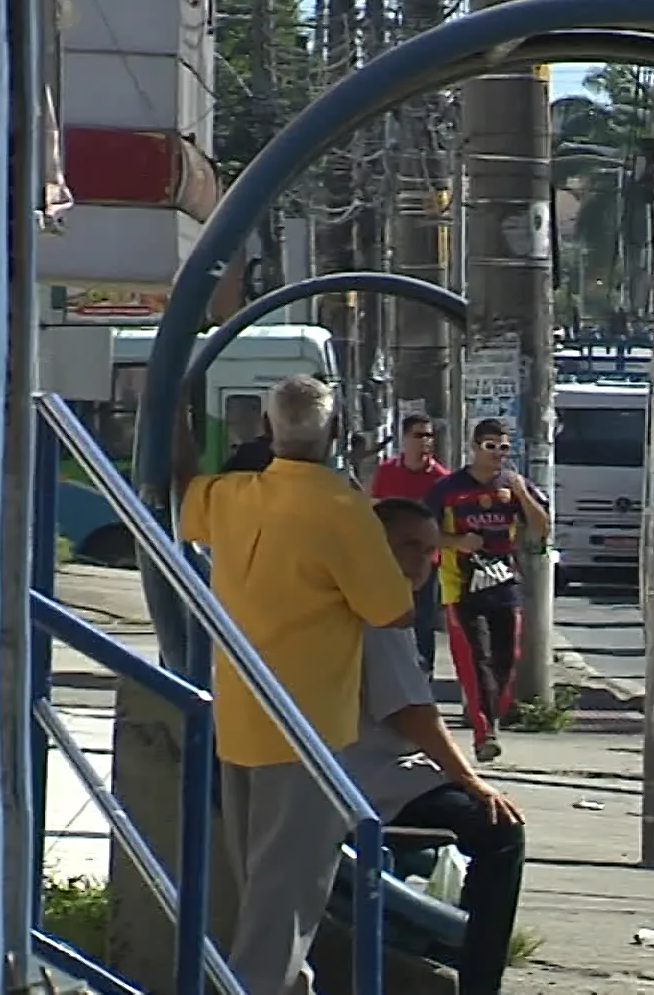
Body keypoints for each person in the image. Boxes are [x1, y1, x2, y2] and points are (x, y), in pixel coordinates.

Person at [174, 375, 414, 995]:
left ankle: (283, 985)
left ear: (264, 430)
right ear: (334, 434)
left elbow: (183, 493)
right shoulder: (340, 508)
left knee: (260, 878)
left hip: (240, 714)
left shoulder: (233, 496)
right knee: (286, 890)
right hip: (307, 727)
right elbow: (392, 609)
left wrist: (173, 416)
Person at [347, 497, 528, 995]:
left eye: (429, 550)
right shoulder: (376, 608)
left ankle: (449, 944)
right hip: (369, 776)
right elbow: (411, 713)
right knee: (500, 832)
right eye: (406, 545)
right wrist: (469, 778)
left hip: (375, 767)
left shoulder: (385, 604)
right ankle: (476, 975)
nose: (419, 561)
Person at [425, 418, 552, 763]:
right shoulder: (449, 487)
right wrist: (456, 541)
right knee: (476, 659)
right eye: (490, 446)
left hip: (503, 583)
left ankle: (492, 716)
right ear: (475, 447)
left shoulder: (512, 485)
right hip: (462, 587)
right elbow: (424, 532)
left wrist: (522, 493)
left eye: (504, 447)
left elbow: (541, 528)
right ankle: (485, 733)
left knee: (506, 659)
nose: (498, 454)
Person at [369, 413, 451, 676]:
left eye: (429, 436)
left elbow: (446, 524)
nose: (425, 442)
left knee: (422, 625)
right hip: (387, 563)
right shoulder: (386, 472)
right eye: (418, 435)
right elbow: (374, 512)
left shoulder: (441, 478)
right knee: (388, 622)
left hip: (424, 565)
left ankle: (422, 678)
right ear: (404, 438)